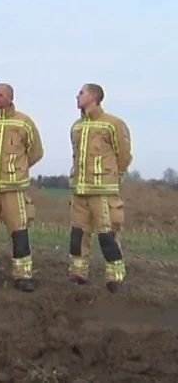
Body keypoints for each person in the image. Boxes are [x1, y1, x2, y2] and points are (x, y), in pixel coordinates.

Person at [0, 83, 43, 292]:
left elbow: (36, 151)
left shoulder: (24, 122)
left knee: (19, 233)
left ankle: (23, 276)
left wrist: (18, 168)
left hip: (14, 190)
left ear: (11, 97)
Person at [68, 83, 132, 294]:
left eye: (81, 93)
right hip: (80, 191)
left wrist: (113, 177)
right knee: (78, 235)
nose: (77, 96)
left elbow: (123, 155)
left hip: (103, 192)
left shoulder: (113, 124)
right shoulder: (77, 126)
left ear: (93, 96)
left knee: (108, 235)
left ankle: (114, 277)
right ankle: (78, 273)